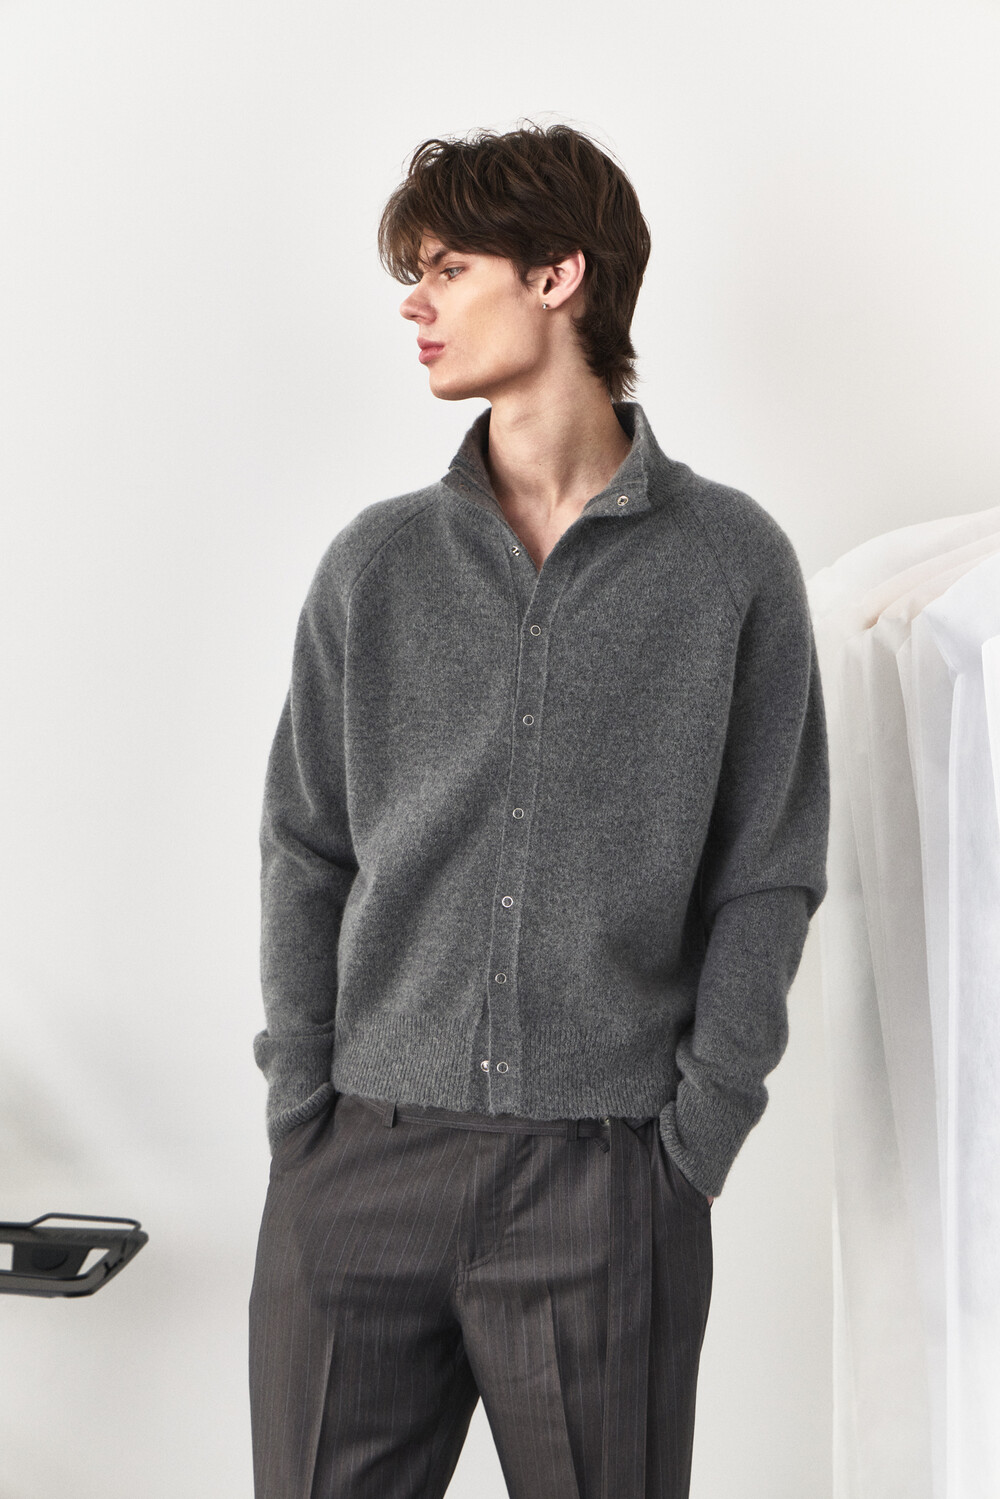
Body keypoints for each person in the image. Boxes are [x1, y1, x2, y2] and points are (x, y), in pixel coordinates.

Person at [248, 121, 830, 1499]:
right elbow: (306, 846)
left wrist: (694, 1139)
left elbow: (767, 869)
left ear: (559, 276)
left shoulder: (729, 562)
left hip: (605, 1184)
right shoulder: (377, 564)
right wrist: (305, 1112)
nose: (415, 305)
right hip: (360, 1165)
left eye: (448, 269)